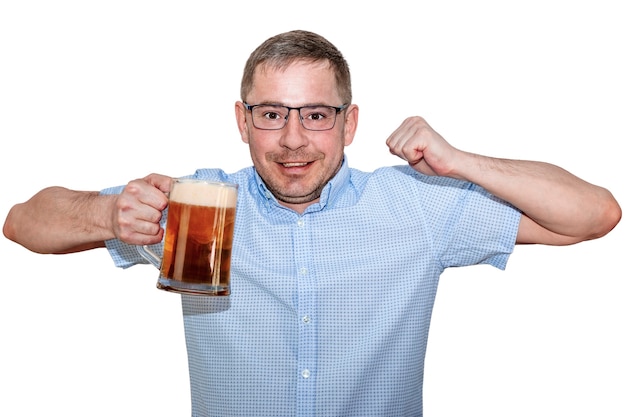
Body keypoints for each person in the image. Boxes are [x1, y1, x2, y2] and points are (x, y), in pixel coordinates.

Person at [3, 29, 621, 417]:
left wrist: (459, 162)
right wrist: (106, 213)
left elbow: (595, 215)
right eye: (271, 114)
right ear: (242, 122)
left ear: (349, 124)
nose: (293, 140)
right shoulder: (197, 207)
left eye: (317, 115)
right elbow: (23, 222)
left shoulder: (414, 205)